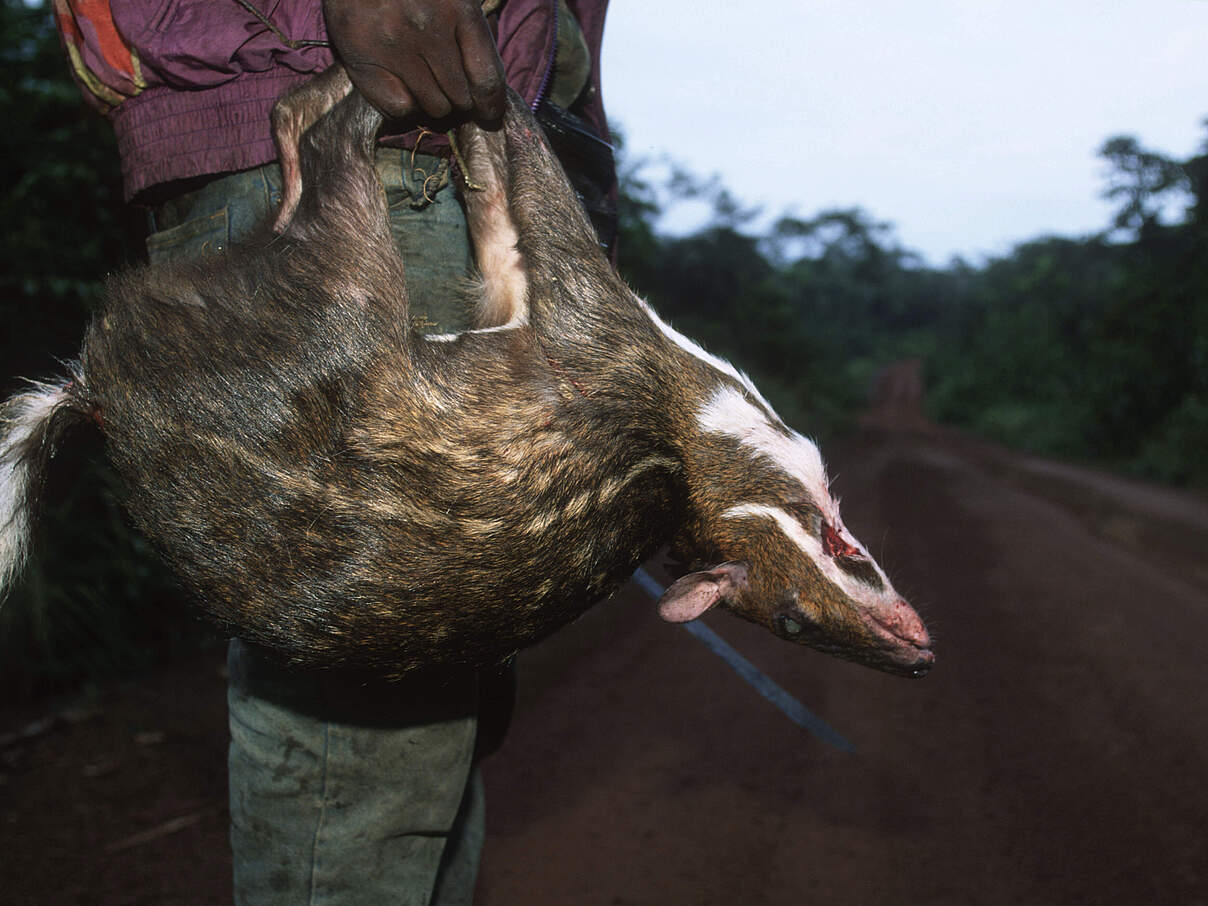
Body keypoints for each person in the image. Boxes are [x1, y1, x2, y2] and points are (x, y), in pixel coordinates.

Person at [52, 1, 615, 902]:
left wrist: (576, 173)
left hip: (451, 138)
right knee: (365, 738)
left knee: (436, 715)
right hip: (374, 139)